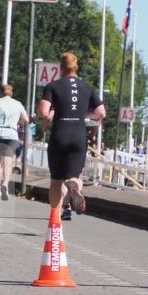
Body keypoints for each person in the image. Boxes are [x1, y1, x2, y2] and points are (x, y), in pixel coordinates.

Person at [36, 52, 106, 221]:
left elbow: (44, 112)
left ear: (61, 68)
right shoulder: (87, 87)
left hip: (60, 132)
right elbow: (101, 112)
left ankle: (55, 218)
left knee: (56, 180)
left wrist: (45, 114)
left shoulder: (53, 86)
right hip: (79, 135)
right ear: (76, 67)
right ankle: (74, 188)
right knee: (73, 176)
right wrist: (84, 113)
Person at [0, 84, 29, 201]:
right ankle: (5, 183)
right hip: (12, 134)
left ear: (1, 93)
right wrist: (19, 123)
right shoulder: (18, 104)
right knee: (8, 161)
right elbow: (26, 119)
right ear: (12, 93)